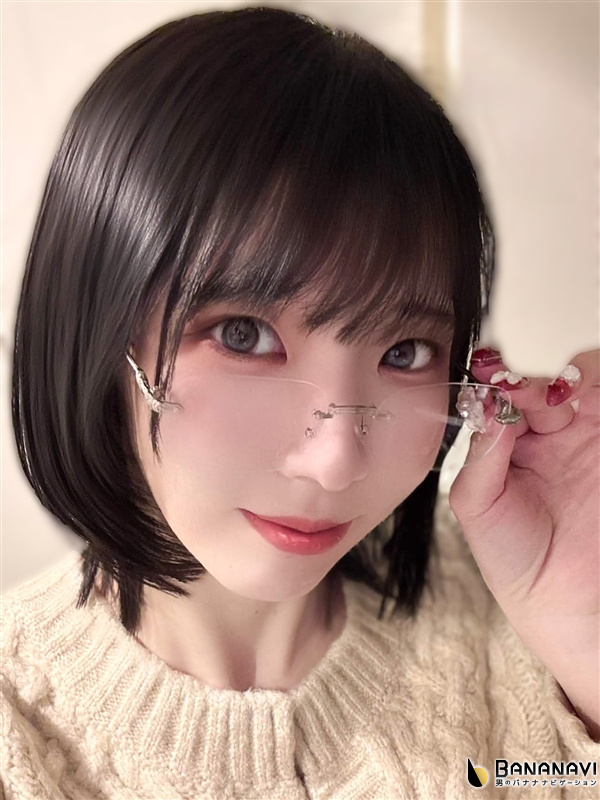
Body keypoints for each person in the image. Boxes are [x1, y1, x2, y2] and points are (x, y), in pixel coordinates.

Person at [2, 7, 598, 799]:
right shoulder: (18, 735)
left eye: (404, 352)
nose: (337, 461)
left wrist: (586, 643)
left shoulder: (521, 618)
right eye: (244, 335)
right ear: (95, 324)